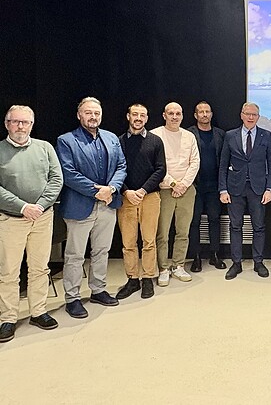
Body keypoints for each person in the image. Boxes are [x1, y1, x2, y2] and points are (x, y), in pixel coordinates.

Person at [56, 97, 127, 318]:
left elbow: (121, 166)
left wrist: (112, 188)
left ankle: (98, 289)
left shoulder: (111, 138)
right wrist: (96, 191)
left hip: (107, 205)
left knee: (101, 251)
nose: (93, 117)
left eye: (96, 113)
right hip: (80, 206)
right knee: (75, 255)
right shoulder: (66, 140)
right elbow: (68, 173)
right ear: (79, 115)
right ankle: (73, 298)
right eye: (88, 113)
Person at [0, 106, 63, 343]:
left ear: (32, 125)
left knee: (40, 268)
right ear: (6, 124)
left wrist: (39, 206)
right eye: (15, 121)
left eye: (25, 122)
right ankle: (8, 318)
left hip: (42, 218)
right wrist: (22, 207)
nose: (20, 126)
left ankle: (38, 312)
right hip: (11, 220)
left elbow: (56, 179)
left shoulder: (45, 148)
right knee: (9, 272)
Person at [219, 102, 271, 280]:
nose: (251, 117)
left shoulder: (266, 135)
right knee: (235, 226)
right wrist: (223, 189)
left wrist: (269, 188)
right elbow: (223, 164)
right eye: (248, 114)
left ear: (258, 117)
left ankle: (258, 262)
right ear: (241, 115)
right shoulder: (230, 135)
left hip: (258, 188)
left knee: (259, 226)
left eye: (254, 114)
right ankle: (236, 263)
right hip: (235, 188)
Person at [115, 104, 166, 300]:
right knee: (128, 242)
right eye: (135, 114)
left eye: (142, 115)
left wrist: (143, 190)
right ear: (128, 116)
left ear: (147, 118)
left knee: (149, 241)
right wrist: (126, 191)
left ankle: (148, 278)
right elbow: (114, 169)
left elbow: (161, 169)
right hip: (126, 197)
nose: (138, 118)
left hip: (150, 197)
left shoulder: (155, 141)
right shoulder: (118, 142)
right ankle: (132, 279)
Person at [150, 102, 200, 287]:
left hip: (186, 190)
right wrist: (173, 183)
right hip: (164, 189)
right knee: (162, 233)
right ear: (164, 115)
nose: (174, 117)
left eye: (178, 113)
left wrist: (183, 185)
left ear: (182, 116)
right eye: (171, 113)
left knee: (183, 231)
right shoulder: (155, 135)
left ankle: (178, 265)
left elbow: (195, 162)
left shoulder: (189, 136)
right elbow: (156, 165)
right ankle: (163, 268)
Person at [187, 101, 226, 273]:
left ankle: (214, 254)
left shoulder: (220, 134)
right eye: (201, 112)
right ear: (195, 115)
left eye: (207, 111)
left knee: (214, 219)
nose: (204, 114)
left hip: (214, 185)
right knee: (194, 221)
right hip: (194, 185)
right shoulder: (188, 134)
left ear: (211, 114)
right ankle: (196, 257)